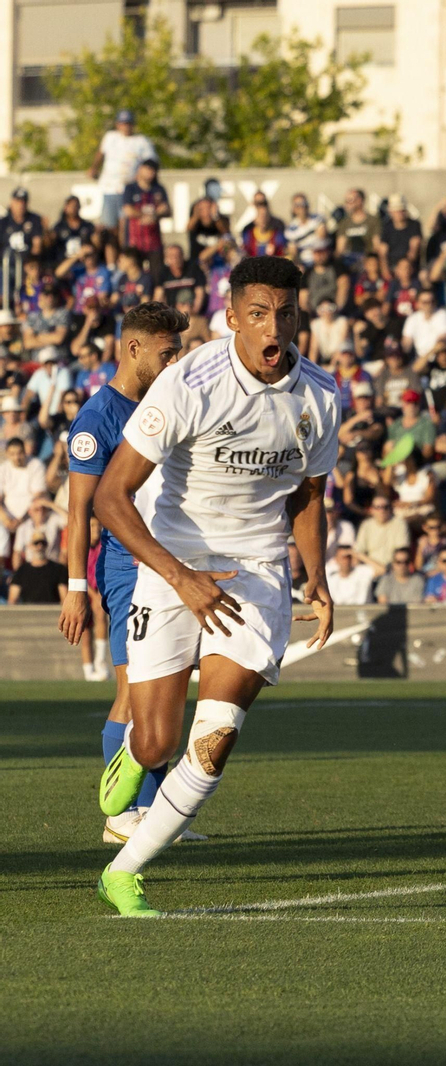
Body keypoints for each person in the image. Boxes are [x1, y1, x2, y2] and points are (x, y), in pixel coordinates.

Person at [92, 257, 340, 916]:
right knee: (156, 743)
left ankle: (124, 869)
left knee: (217, 733)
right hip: (172, 564)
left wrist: (317, 576)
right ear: (231, 317)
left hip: (256, 573)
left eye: (285, 313)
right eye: (258, 313)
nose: (273, 328)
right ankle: (131, 763)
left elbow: (308, 496)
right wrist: (181, 578)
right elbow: (112, 499)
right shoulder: (187, 382)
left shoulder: (321, 395)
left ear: (298, 317)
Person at [56, 302, 187, 843]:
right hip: (125, 565)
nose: (174, 359)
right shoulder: (97, 418)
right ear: (134, 349)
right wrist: (76, 588)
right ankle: (120, 814)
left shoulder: (167, 403)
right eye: (166, 350)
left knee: (167, 691)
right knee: (135, 689)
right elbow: (78, 511)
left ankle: (156, 819)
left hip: (170, 562)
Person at [89, 110, 155, 231]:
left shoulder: (141, 141)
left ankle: (124, 249)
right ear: (117, 124)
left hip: (130, 189)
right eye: (123, 123)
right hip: (109, 187)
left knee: (126, 225)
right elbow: (101, 153)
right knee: (109, 227)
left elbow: (151, 163)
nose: (126, 126)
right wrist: (94, 168)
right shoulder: (110, 137)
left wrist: (141, 177)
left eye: (128, 123)